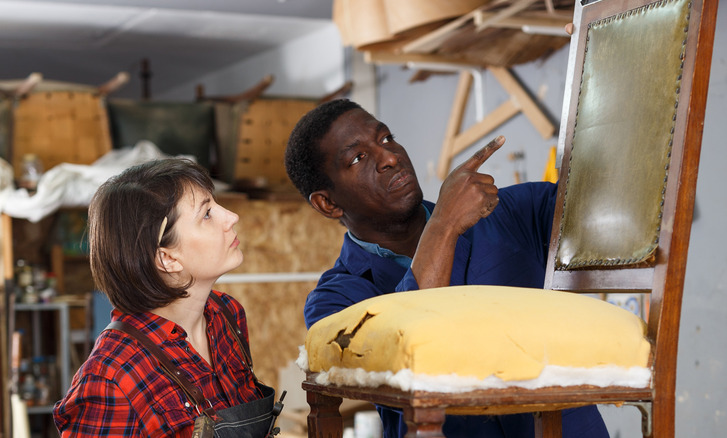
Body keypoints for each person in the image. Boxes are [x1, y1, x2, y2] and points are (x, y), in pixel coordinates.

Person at [285, 99, 608, 438]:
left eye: (386, 138)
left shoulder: (514, 212)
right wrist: (444, 225)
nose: (390, 158)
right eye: (358, 158)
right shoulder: (334, 303)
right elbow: (405, 359)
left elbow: (614, 212)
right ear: (328, 203)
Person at [53, 158, 280, 437]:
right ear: (167, 258)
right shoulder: (111, 378)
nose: (231, 217)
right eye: (207, 214)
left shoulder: (226, 315)